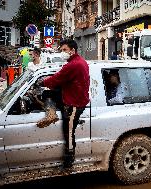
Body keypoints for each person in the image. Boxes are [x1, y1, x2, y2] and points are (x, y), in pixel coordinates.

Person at [38, 39, 90, 168]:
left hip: (74, 104)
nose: (62, 53)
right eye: (61, 50)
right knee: (47, 94)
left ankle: (69, 159)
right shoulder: (80, 61)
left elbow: (57, 78)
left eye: (64, 50)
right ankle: (51, 113)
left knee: (69, 132)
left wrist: (42, 82)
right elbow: (64, 79)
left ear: (73, 50)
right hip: (72, 95)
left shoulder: (73, 65)